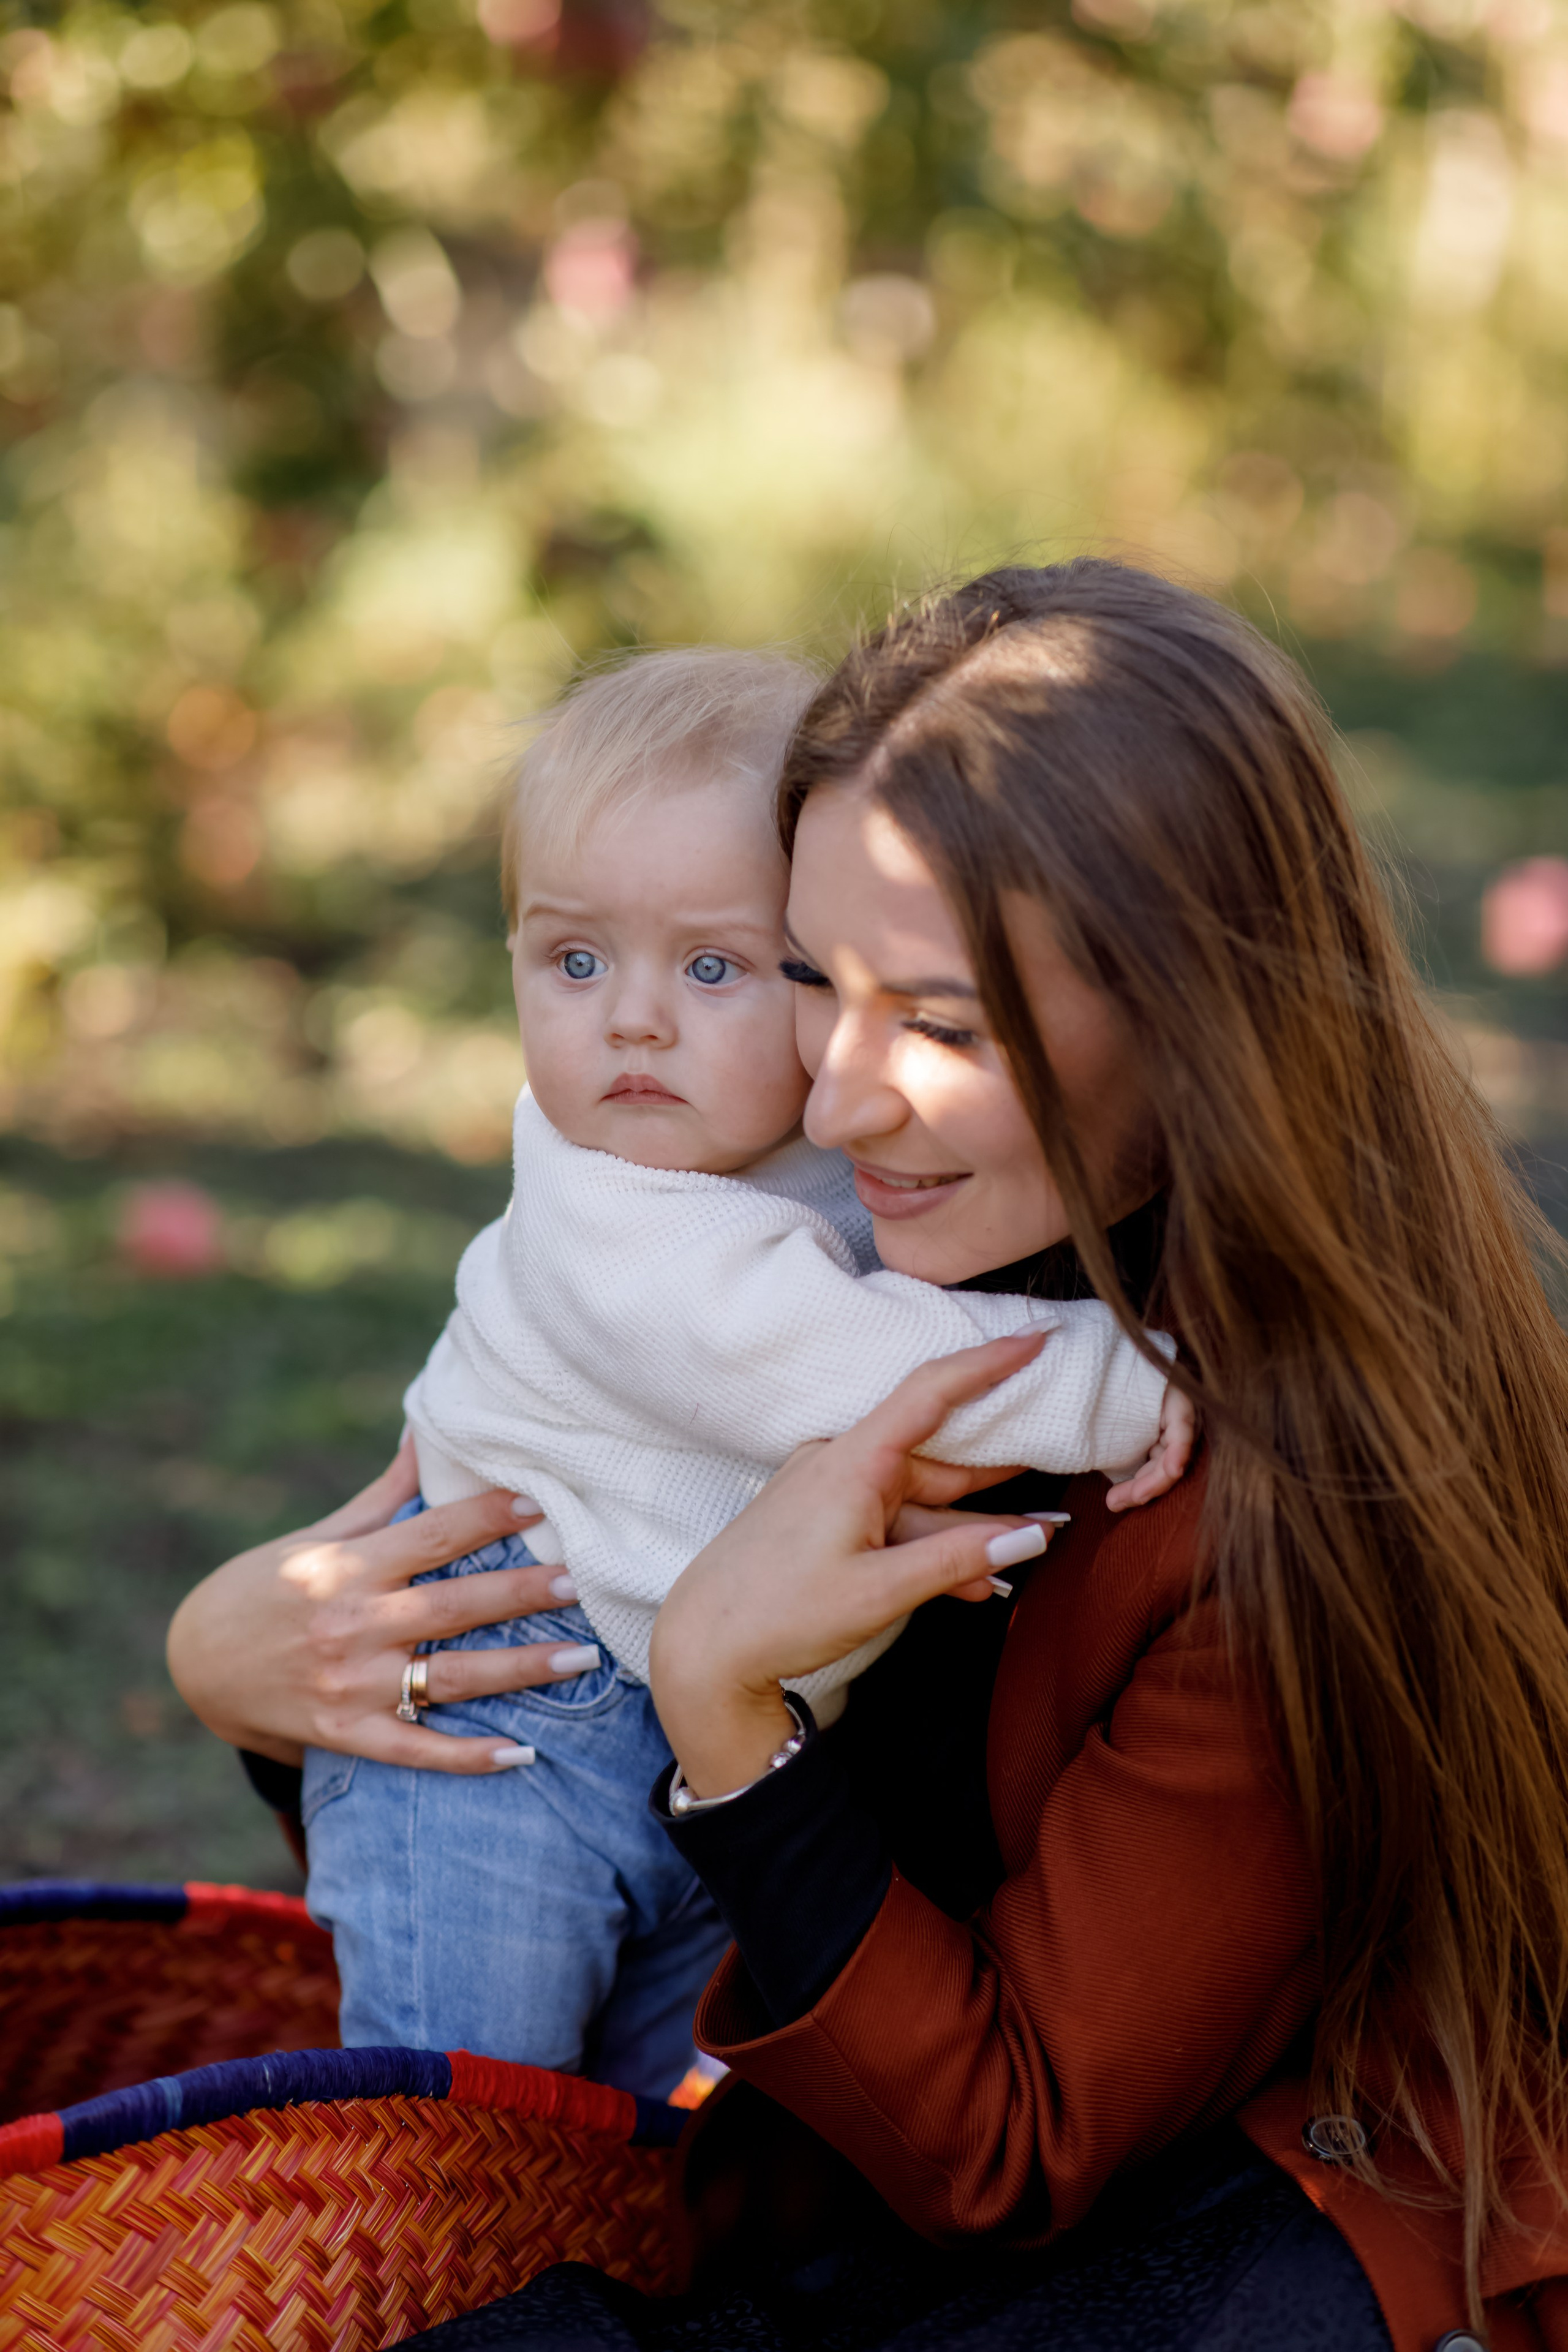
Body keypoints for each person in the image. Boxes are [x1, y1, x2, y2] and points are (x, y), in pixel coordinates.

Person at [170, 559, 1568, 2350]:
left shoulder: (1276, 1487)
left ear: (1200, 1029)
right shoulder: (887, 1247)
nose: (837, 1100)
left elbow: (1012, 2149)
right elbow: (537, 1725)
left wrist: (727, 1717)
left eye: (948, 1026)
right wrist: (235, 1654)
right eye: (817, 980)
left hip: (1180, 2260)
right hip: (830, 2172)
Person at [286, 644, 1193, 2094]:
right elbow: (859, 1366)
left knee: (657, 2143)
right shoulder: (616, 1212)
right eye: (571, 960)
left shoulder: (798, 1139)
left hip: (682, 1728)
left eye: (715, 966)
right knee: (463, 2116)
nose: (631, 1018)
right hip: (504, 1723)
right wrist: (1146, 1379)